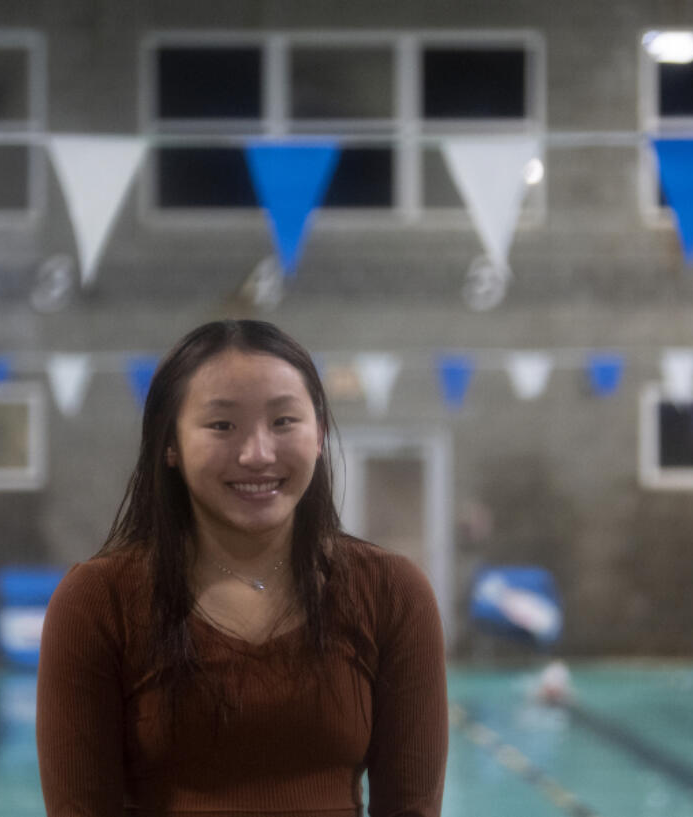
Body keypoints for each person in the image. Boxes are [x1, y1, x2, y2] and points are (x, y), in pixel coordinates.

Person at [37, 320, 448, 816]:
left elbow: (412, 809)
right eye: (222, 426)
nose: (258, 454)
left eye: (283, 421)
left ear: (318, 434)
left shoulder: (390, 593)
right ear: (170, 444)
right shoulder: (99, 601)